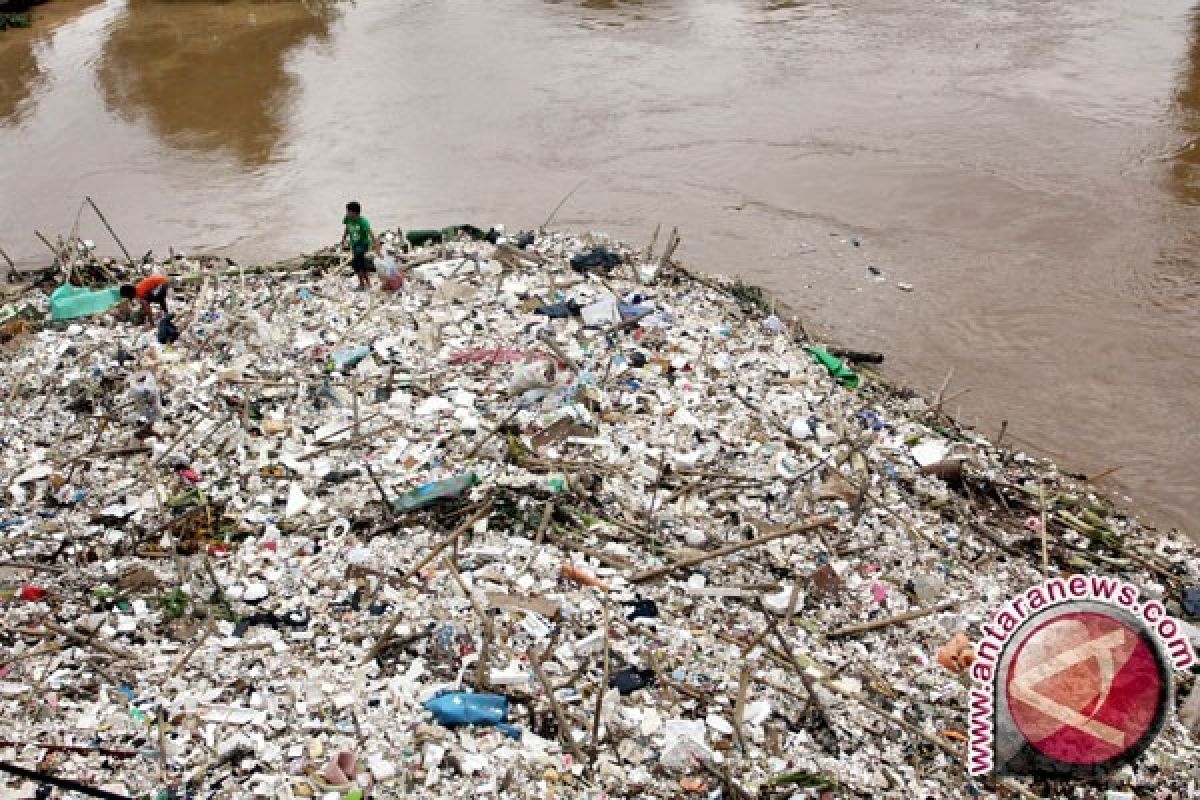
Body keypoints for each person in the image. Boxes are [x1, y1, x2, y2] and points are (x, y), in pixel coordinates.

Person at [341, 201, 380, 290]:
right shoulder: (348, 219)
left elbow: (371, 234)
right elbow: (347, 228)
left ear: (354, 212)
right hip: (354, 244)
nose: (347, 213)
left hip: (363, 244)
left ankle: (364, 284)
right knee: (359, 264)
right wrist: (343, 239)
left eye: (348, 211)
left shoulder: (363, 222)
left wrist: (377, 247)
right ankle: (365, 283)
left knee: (357, 262)